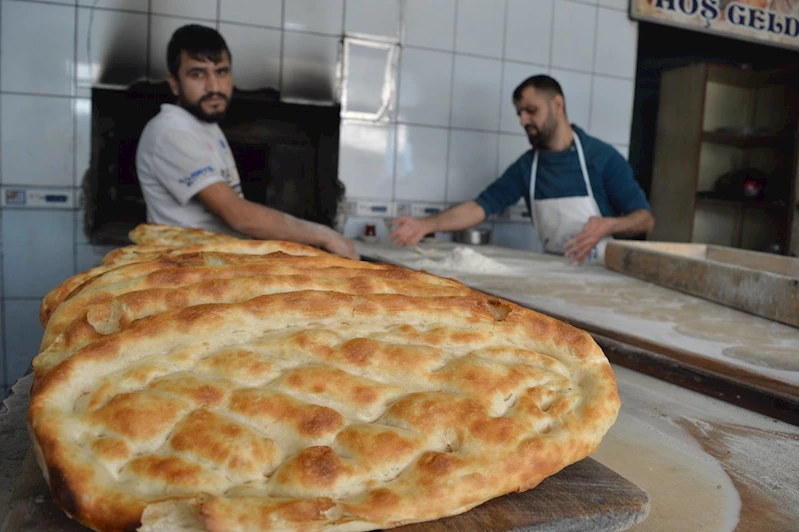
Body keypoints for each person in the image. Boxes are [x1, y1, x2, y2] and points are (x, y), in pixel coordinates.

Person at [136, 24, 358, 259]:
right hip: (183, 271)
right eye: (197, 74)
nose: (213, 87)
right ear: (173, 82)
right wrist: (324, 235)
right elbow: (238, 215)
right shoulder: (170, 131)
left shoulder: (204, 125)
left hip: (212, 260)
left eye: (221, 72)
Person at [390, 75, 655, 265]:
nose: (524, 120)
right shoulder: (527, 167)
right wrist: (424, 225)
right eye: (519, 113)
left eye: (531, 110)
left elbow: (645, 219)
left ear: (558, 105)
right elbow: (481, 206)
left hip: (605, 277)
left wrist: (609, 225)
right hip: (555, 269)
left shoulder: (602, 158)